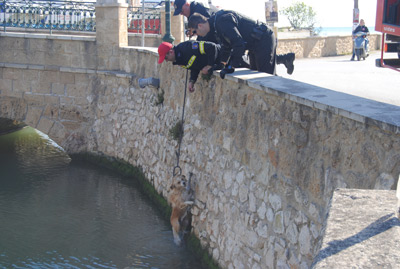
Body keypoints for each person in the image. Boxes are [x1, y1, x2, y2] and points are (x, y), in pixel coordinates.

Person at [188, 11, 295, 75]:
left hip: (264, 39)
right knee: (255, 76)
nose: (197, 35)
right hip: (255, 43)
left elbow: (239, 44)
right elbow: (227, 47)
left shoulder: (222, 22)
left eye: (195, 32)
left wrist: (232, 66)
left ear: (200, 26)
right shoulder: (215, 25)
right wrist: (221, 64)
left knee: (265, 76)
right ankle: (286, 58)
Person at [158, 41, 223, 92]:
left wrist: (209, 65)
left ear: (171, 52)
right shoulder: (178, 60)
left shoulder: (188, 47)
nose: (166, 61)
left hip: (224, 57)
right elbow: (195, 66)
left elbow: (212, 47)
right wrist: (192, 81)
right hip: (217, 65)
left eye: (166, 58)